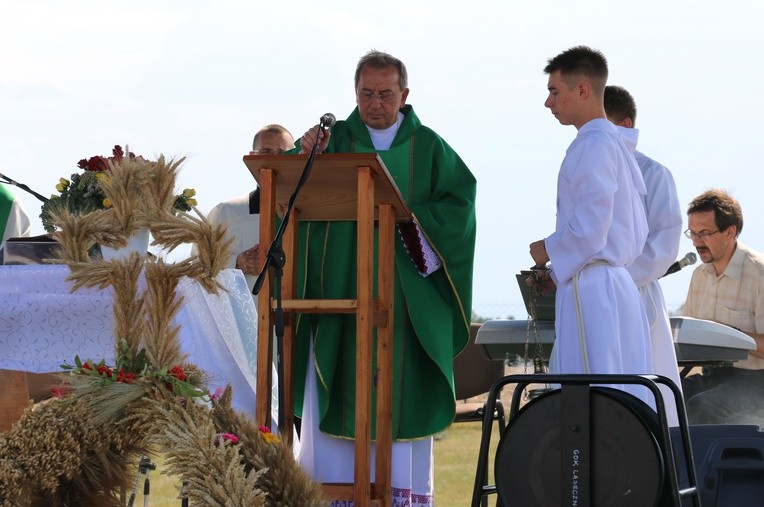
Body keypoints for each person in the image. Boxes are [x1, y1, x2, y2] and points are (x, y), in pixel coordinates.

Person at [294, 50, 476, 505]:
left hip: (404, 305)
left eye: (385, 94)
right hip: (339, 298)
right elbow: (297, 199)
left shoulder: (429, 146)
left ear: (405, 94)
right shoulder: (332, 142)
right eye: (366, 93)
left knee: (398, 400)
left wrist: (410, 222)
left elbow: (460, 207)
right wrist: (303, 155)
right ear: (354, 93)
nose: (375, 103)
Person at [529, 46, 654, 405]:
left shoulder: (595, 144)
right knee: (621, 394)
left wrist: (547, 249)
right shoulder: (613, 143)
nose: (548, 103)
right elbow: (633, 228)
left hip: (593, 287)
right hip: (613, 283)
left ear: (582, 90)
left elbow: (591, 227)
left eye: (554, 91)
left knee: (590, 400)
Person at [604, 85, 684, 425]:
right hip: (594, 294)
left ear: (625, 124)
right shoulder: (586, 167)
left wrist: (618, 278)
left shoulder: (654, 174)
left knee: (646, 393)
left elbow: (664, 245)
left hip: (637, 292)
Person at [681, 189, 764, 426]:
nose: (697, 242)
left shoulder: (759, 274)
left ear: (731, 232)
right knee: (662, 398)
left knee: (700, 408)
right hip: (713, 376)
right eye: (693, 234)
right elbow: (688, 339)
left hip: (757, 381)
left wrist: (731, 337)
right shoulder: (699, 276)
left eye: (705, 233)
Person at [204, 124, 295, 292]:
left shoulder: (309, 215)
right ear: (253, 157)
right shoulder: (225, 213)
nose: (275, 160)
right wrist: (238, 262)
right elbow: (198, 264)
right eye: (267, 153)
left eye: (283, 153)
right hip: (244, 314)